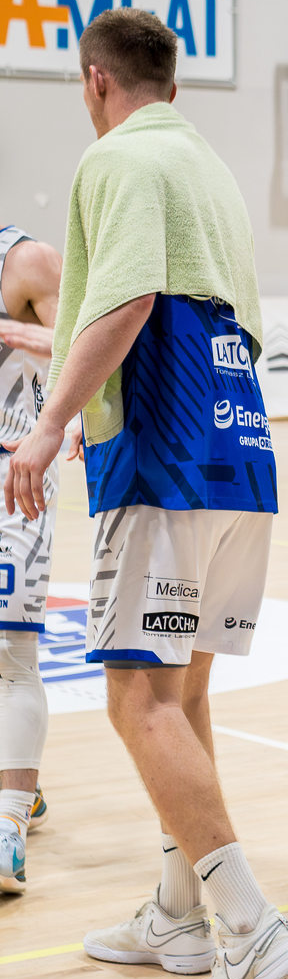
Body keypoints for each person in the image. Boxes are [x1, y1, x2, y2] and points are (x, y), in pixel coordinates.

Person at [3, 9, 288, 979]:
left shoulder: (116, 159)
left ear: (96, 80)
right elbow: (199, 314)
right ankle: (180, 916)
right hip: (241, 448)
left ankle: (249, 922)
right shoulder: (210, 170)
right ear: (172, 86)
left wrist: (48, 426)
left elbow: (130, 301)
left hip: (163, 453)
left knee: (137, 699)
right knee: (183, 694)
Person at [0, 226, 63, 895]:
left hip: (12, 475)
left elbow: (93, 350)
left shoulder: (27, 262)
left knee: (9, 652)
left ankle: (8, 826)